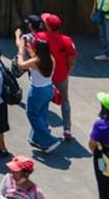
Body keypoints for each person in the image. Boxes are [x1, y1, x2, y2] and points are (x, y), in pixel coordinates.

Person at [35, 12, 77, 140]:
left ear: (47, 25)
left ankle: (44, 127)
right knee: (65, 100)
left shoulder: (39, 37)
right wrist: (67, 70)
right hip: (61, 75)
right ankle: (67, 129)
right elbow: (72, 59)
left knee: (43, 102)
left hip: (45, 75)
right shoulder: (67, 40)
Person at [16, 33, 59, 153]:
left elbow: (21, 65)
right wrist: (30, 50)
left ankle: (49, 140)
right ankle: (36, 138)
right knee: (42, 113)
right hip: (48, 89)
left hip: (37, 91)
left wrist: (20, 49)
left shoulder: (35, 61)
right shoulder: (50, 58)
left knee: (32, 114)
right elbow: (38, 59)